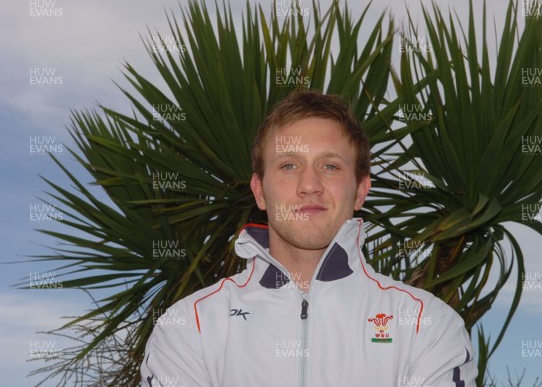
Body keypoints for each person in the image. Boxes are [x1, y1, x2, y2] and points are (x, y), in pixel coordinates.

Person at [141, 91, 477, 387]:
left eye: (330, 166)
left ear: (360, 191)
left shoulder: (427, 326)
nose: (309, 184)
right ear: (259, 191)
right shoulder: (189, 327)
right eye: (289, 165)